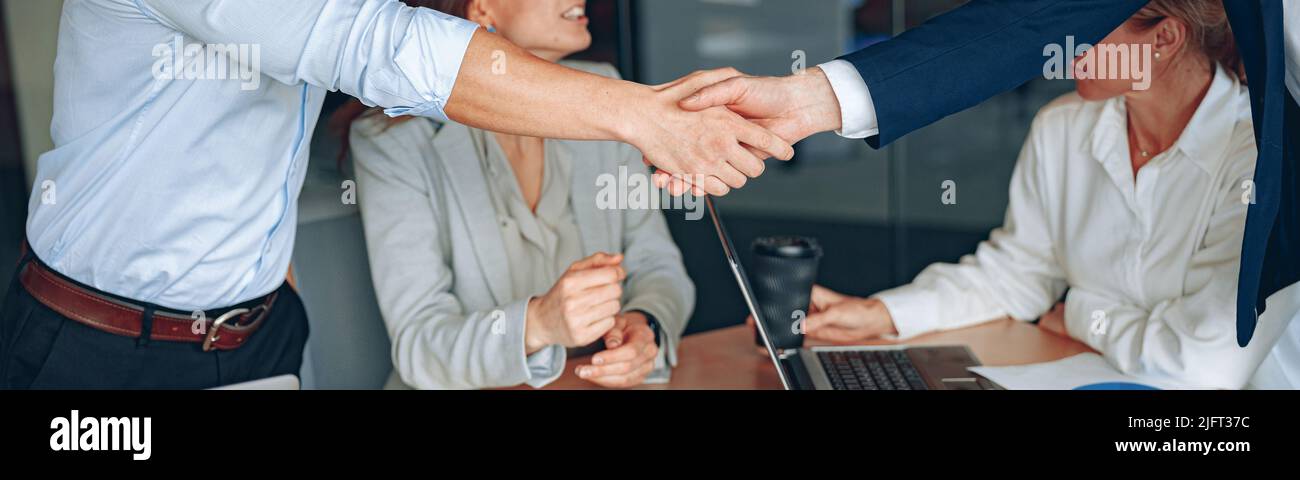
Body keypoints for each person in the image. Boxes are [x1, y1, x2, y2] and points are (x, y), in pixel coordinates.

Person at [0, 0, 788, 389]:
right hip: (100, 346)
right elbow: (375, 44)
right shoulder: (392, 133)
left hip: (260, 334)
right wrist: (641, 116)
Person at [676, 0, 1298, 370]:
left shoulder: (1261, 162)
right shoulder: (1063, 128)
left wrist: (1077, 313)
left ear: (1163, 39)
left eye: (1090, 21)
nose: (1062, 44)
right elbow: (1017, 272)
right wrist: (885, 313)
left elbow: (1207, 364)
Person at [337, 0, 693, 389]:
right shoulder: (394, 140)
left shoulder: (613, 98)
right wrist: (539, 324)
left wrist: (646, 325)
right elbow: (420, 346)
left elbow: (657, 264)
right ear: (481, 10)